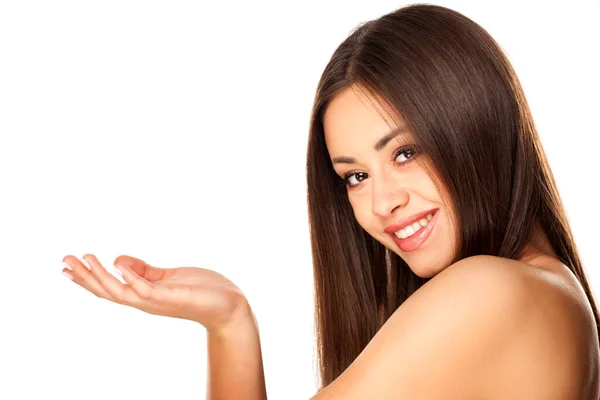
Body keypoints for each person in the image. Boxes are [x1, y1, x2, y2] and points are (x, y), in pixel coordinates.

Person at [60, 4, 600, 399]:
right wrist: (229, 320)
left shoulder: (492, 290)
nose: (382, 201)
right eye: (356, 175)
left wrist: (231, 328)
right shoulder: (551, 293)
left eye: (407, 151)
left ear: (475, 124)